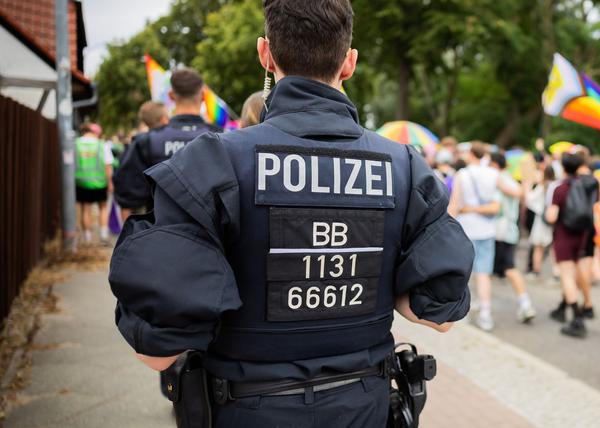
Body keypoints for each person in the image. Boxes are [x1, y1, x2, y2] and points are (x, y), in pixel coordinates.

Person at [108, 1, 473, 426]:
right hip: (363, 408)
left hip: (246, 409)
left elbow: (158, 351)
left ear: (266, 53)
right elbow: (440, 315)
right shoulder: (404, 167)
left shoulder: (212, 163)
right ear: (349, 62)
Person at [114, 68, 222, 216]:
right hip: (211, 231)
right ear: (203, 96)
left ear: (171, 96)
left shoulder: (147, 141)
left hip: (161, 229)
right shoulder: (222, 137)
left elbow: (127, 191)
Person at [449, 142, 502, 331]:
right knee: (484, 273)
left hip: (466, 228)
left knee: (465, 274)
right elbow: (498, 203)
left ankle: (462, 313)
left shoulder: (462, 174)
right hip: (487, 229)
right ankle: (486, 314)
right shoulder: (493, 174)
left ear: (471, 154)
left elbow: (455, 204)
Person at [547, 151, 599, 338]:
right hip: (582, 234)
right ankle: (569, 306)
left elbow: (551, 216)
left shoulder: (560, 189)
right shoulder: (587, 185)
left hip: (564, 235)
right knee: (577, 271)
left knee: (567, 276)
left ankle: (577, 319)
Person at [489, 152, 537, 324]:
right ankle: (484, 306)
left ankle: (525, 304)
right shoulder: (505, 177)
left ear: (494, 164)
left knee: (506, 268)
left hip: (502, 232)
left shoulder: (500, 179)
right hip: (504, 231)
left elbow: (517, 193)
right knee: (493, 269)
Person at [73, 123, 114, 244]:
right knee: (103, 207)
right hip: (100, 182)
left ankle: (87, 239)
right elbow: (108, 166)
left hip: (81, 181)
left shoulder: (76, 143)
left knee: (86, 208)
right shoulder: (102, 144)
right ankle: (103, 236)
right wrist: (110, 182)